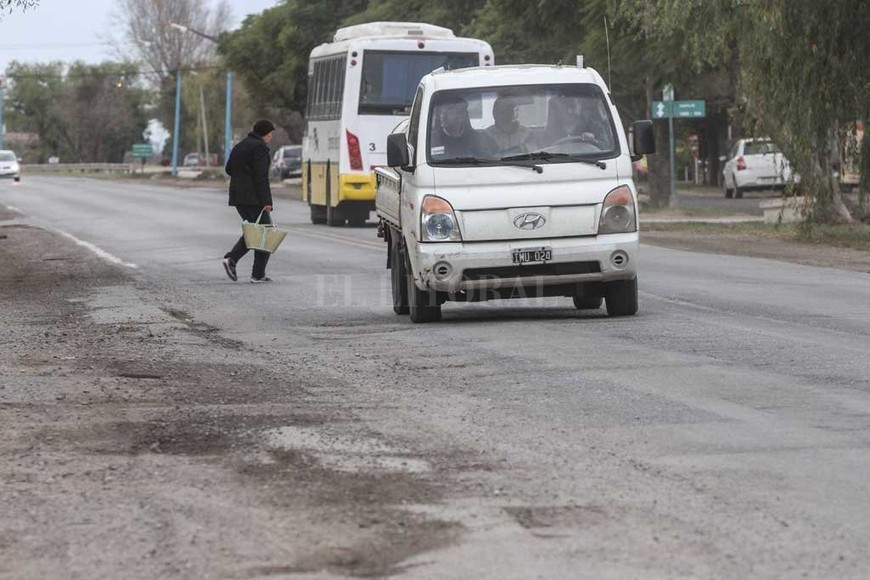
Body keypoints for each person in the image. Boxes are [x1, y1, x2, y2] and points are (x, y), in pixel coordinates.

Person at [222, 119, 276, 283]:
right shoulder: (260, 148)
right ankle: (233, 259)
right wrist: (267, 201)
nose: (270, 138)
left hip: (238, 197)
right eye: (270, 134)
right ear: (264, 134)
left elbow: (228, 169)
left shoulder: (240, 146)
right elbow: (261, 177)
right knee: (264, 232)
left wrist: (242, 176)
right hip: (253, 198)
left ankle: (257, 274)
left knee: (257, 231)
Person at [430, 96, 496, 160]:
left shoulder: (478, 139)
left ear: (461, 116)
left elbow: (492, 159)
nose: (443, 115)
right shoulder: (432, 140)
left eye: (449, 111)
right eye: (441, 111)